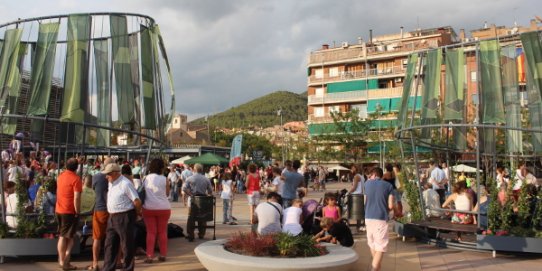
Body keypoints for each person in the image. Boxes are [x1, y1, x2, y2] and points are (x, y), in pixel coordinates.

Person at [102, 163, 141, 271]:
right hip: (113, 216)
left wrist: (136, 215)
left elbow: (137, 201)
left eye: (108, 174)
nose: (106, 177)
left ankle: (127, 268)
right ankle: (108, 268)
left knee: (126, 245)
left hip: (124, 215)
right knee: (109, 244)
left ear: (115, 173)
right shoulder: (112, 182)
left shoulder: (125, 183)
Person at [364, 167, 394, 271]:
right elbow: (390, 206)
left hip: (368, 217)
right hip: (380, 218)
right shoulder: (389, 186)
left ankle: (377, 268)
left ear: (373, 174)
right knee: (380, 247)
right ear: (381, 175)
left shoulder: (366, 184)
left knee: (373, 245)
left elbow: (365, 201)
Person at [141, 158, 171, 263]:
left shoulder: (146, 178)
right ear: (162, 168)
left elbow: (142, 191)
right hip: (164, 208)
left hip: (149, 208)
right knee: (162, 232)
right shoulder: (165, 179)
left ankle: (150, 256)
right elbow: (167, 194)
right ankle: (163, 255)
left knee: (151, 232)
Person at [55, 158, 82, 271]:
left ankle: (61, 260)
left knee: (62, 235)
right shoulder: (76, 179)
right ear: (76, 167)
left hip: (59, 209)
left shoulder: (60, 176)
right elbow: (76, 197)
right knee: (69, 236)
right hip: (69, 210)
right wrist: (77, 211)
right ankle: (66, 259)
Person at [88, 158, 113, 271]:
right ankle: (115, 261)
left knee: (97, 238)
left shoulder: (96, 177)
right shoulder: (114, 177)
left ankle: (95, 262)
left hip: (99, 209)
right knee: (112, 238)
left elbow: (93, 189)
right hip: (112, 210)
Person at [182, 163, 213, 242]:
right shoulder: (206, 179)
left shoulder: (190, 178)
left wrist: (190, 194)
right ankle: (201, 234)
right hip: (203, 199)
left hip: (193, 199)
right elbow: (210, 191)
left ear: (194, 169)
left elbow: (184, 188)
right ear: (201, 170)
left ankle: (190, 234)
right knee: (202, 217)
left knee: (191, 217)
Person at [349, 164, 366, 231]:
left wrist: (349, 192)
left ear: (355, 169)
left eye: (352, 169)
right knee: (361, 212)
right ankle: (361, 225)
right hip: (361, 194)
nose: (351, 170)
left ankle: (359, 226)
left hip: (357, 195)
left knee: (356, 213)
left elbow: (354, 187)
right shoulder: (361, 176)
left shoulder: (356, 176)